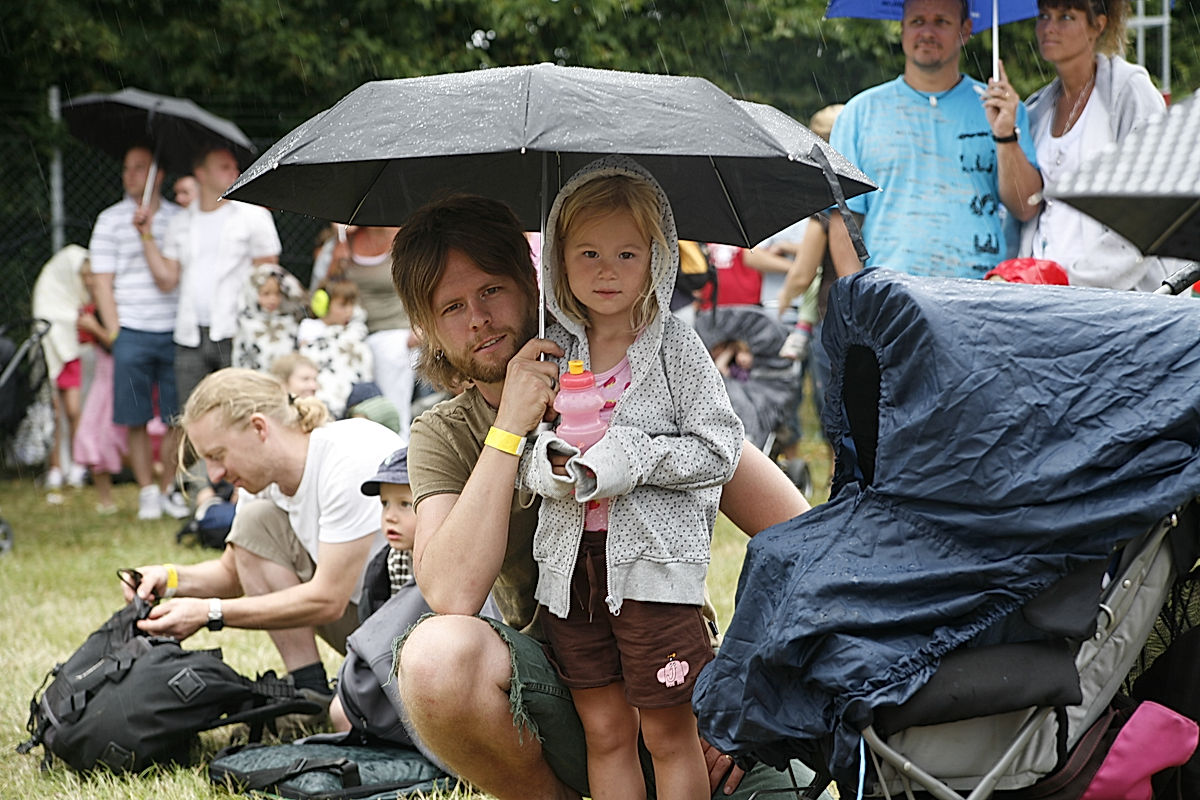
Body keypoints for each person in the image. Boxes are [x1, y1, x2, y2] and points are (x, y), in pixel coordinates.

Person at [389, 193, 825, 800]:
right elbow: (452, 594)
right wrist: (510, 427)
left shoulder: (641, 377)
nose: (479, 319)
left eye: (491, 290)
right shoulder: (443, 433)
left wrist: (745, 686)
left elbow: (805, 542)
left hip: (680, 688)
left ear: (534, 284)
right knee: (435, 657)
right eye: (452, 307)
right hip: (568, 695)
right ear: (429, 330)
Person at [518, 158, 743, 800]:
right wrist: (551, 464)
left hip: (653, 573)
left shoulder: (675, 347)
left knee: (667, 731)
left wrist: (633, 458)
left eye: (626, 254)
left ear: (656, 259)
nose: (606, 271)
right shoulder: (554, 349)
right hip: (571, 573)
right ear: (558, 260)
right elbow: (526, 453)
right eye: (587, 253)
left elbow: (720, 448)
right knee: (606, 730)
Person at [121, 368, 404, 708]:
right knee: (255, 523)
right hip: (371, 621)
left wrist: (209, 613)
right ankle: (308, 692)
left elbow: (328, 599)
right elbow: (231, 574)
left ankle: (356, 695)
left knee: (345, 715)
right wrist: (166, 579)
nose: (215, 475)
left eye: (217, 456)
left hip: (418, 636)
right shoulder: (262, 479)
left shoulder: (348, 459)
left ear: (259, 428)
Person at [828, 0, 1043, 279]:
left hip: (982, 294)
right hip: (889, 294)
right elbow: (844, 221)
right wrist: (856, 295)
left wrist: (1005, 136)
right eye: (917, 21)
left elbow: (1026, 207)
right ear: (903, 28)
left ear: (965, 30)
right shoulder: (859, 113)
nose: (927, 32)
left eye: (941, 21)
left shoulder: (1003, 109)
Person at [1017, 0, 1169, 290]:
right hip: (1042, 295)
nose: (1049, 28)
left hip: (1111, 299)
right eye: (1044, 16)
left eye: (1065, 17)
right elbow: (1028, 209)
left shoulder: (1131, 94)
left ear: (1098, 25)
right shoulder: (1035, 111)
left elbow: (1150, 209)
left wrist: (1075, 280)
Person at [137, 145, 282, 407]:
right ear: (201, 173)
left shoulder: (253, 216)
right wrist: (146, 235)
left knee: (238, 409)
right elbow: (167, 280)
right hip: (189, 333)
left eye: (234, 167)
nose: (234, 172)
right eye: (224, 167)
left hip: (235, 330)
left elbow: (268, 275)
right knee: (192, 411)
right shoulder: (180, 222)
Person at [87, 145, 187, 520]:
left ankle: (169, 489)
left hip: (175, 329)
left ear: (158, 175)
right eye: (126, 168)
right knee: (135, 415)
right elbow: (101, 281)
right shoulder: (109, 220)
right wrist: (115, 332)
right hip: (131, 329)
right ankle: (147, 491)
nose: (129, 175)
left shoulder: (179, 218)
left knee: (177, 416)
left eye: (139, 168)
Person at [323, 225, 417, 433]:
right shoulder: (343, 241)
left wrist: (420, 329)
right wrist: (338, 254)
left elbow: (423, 286)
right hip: (352, 332)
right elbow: (325, 291)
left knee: (391, 354)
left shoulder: (406, 239)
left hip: (396, 331)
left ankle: (399, 437)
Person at [31, 244, 90, 491]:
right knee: (54, 413)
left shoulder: (78, 299)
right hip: (51, 354)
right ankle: (55, 468)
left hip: (71, 355)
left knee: (74, 411)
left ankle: (78, 465)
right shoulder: (49, 297)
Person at [73, 259, 126, 514]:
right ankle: (105, 501)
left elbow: (119, 346)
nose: (88, 281)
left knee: (121, 438)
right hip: (101, 381)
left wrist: (95, 328)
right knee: (91, 435)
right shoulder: (89, 309)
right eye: (84, 276)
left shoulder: (116, 307)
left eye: (92, 275)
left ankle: (162, 489)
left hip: (121, 379)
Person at [297, 277, 373, 418]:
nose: (349, 311)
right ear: (323, 304)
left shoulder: (355, 330)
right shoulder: (310, 329)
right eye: (343, 306)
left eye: (352, 305)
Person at [231, 263, 306, 373]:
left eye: (277, 294)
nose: (272, 299)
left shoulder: (289, 322)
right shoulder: (246, 324)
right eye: (266, 294)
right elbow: (241, 358)